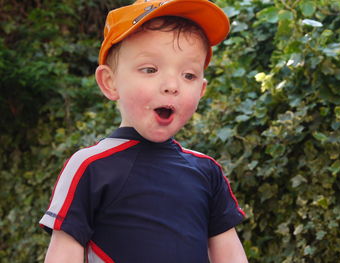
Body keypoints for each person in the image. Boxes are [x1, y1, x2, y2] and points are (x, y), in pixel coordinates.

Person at [39, 0, 248, 262]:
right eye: (150, 69)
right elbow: (64, 254)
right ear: (110, 82)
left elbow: (230, 254)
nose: (172, 85)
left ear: (202, 91)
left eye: (189, 75)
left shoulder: (208, 172)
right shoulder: (89, 166)